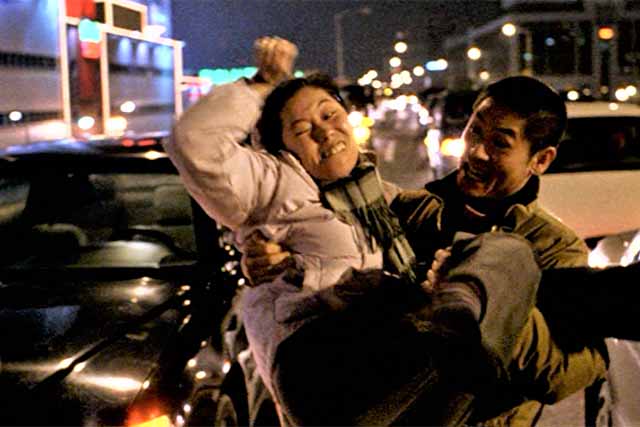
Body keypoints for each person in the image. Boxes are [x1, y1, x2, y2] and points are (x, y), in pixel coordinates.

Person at [164, 37, 546, 426]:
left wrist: (441, 286)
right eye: (303, 129)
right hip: (318, 361)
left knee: (508, 252)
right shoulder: (275, 184)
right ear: (284, 149)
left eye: (329, 115)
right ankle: (451, 332)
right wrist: (263, 84)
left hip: (386, 371)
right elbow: (193, 141)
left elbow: (564, 361)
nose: (324, 132)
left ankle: (455, 333)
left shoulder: (377, 199)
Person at [241, 76, 611, 426]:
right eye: (474, 131)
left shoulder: (552, 247)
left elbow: (567, 372)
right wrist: (266, 254)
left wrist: (490, 306)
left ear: (540, 160)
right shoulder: (406, 211)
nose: (477, 152)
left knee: (503, 255)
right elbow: (305, 212)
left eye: (500, 144)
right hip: (375, 406)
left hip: (468, 412)